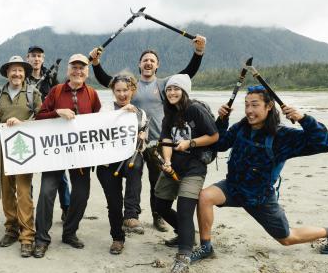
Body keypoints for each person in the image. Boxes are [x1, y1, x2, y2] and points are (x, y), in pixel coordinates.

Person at [191, 85, 328, 265]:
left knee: (287, 238)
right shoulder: (241, 128)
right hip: (232, 187)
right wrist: (222, 120)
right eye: (246, 105)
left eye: (255, 105)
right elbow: (220, 145)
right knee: (204, 197)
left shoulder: (283, 136)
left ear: (269, 106)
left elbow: (326, 144)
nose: (249, 110)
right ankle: (206, 247)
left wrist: (303, 119)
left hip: (259, 197)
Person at [89, 35, 207, 236]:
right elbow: (107, 80)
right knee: (132, 177)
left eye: (152, 60)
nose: (148, 63)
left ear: (157, 65)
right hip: (130, 143)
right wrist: (96, 63)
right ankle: (129, 216)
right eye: (145, 60)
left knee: (156, 182)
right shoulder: (129, 85)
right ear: (139, 64)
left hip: (155, 142)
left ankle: (157, 216)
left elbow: (186, 74)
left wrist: (198, 53)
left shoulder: (162, 85)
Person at [152, 74, 219, 273]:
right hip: (174, 166)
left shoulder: (195, 110)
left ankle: (184, 258)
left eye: (176, 89)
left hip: (194, 167)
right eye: (169, 89)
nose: (172, 93)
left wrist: (190, 143)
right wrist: (168, 161)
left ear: (185, 91)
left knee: (184, 209)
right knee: (159, 204)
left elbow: (214, 136)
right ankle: (185, 233)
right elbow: (166, 139)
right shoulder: (168, 112)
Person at [33, 53, 102, 258]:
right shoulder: (55, 91)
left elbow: (102, 122)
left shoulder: (92, 93)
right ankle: (41, 239)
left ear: (87, 72)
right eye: (74, 67)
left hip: (81, 156)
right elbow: (39, 116)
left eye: (82, 68)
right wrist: (57, 112)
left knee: (81, 195)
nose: (78, 71)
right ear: (68, 70)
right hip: (55, 153)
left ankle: (69, 233)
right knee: (46, 193)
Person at [0, 55, 42, 257]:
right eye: (13, 70)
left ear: (25, 73)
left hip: (24, 149)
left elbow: (42, 117)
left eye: (20, 70)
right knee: (7, 190)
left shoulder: (32, 93)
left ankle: (27, 235)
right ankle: (11, 228)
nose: (16, 74)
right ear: (7, 73)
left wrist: (24, 124)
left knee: (23, 191)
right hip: (3, 147)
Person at [96, 72, 148, 254]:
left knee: (137, 164)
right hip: (107, 164)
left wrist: (142, 138)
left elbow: (143, 141)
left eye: (126, 90)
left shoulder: (140, 113)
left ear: (132, 90)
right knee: (114, 203)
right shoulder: (105, 109)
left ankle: (132, 214)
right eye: (118, 90)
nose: (122, 94)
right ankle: (117, 238)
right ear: (113, 91)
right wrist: (120, 114)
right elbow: (99, 126)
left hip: (128, 160)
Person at [25, 45, 71, 222]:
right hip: (29, 127)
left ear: (43, 59)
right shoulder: (23, 77)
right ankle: (27, 209)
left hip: (49, 127)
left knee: (58, 171)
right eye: (33, 56)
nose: (36, 59)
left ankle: (66, 207)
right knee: (26, 171)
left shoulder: (51, 76)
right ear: (27, 58)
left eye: (39, 56)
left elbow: (59, 97)